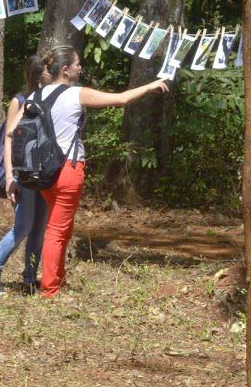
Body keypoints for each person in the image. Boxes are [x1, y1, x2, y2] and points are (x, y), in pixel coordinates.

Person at [37, 46, 169, 297]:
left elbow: (14, 129)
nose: (80, 68)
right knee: (57, 229)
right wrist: (150, 86)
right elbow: (120, 99)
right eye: (77, 64)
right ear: (65, 70)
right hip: (67, 169)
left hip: (43, 170)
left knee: (61, 226)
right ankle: (50, 288)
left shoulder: (38, 96)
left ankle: (57, 279)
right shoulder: (75, 94)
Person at [0, 54, 51, 296]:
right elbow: (7, 141)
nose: (52, 74)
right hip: (23, 175)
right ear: (39, 74)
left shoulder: (50, 99)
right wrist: (10, 177)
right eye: (48, 70)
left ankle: (30, 278)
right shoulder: (19, 101)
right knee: (23, 226)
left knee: (38, 228)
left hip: (44, 175)